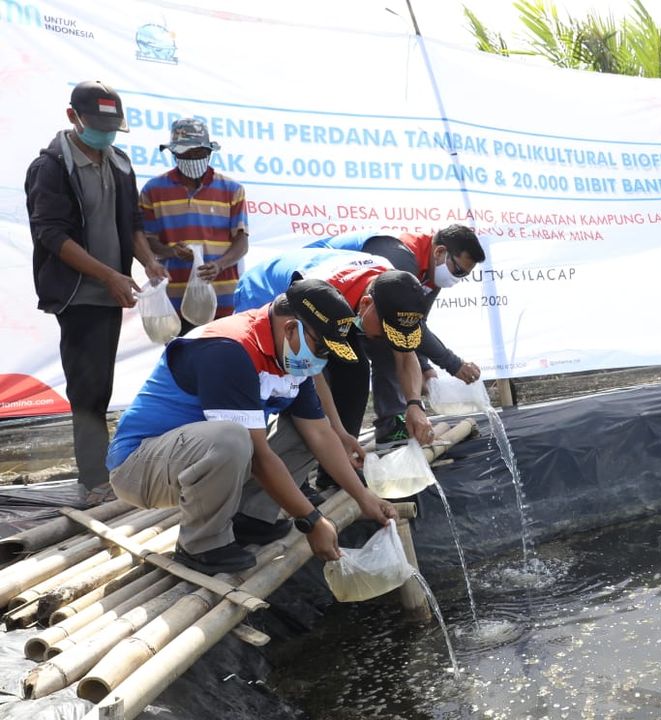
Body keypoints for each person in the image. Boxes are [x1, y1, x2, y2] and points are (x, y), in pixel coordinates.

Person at [105, 278, 400, 574]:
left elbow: (320, 433)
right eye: (321, 349)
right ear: (290, 328)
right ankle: (200, 545)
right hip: (141, 466)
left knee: (306, 431)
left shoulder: (288, 357)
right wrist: (311, 520)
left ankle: (250, 516)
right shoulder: (228, 349)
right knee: (231, 438)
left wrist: (364, 497)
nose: (321, 360)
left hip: (195, 461)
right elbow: (258, 457)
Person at [24, 80, 167, 505]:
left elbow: (133, 225)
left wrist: (148, 261)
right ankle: (93, 481)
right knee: (86, 389)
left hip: (111, 291)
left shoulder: (120, 163)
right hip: (77, 294)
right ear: (73, 118)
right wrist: (107, 275)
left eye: (111, 127)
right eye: (96, 125)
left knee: (101, 385)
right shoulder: (50, 167)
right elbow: (52, 234)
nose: (104, 135)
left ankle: (102, 468)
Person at [234, 253, 437, 461]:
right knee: (292, 391)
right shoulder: (321, 296)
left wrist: (414, 404)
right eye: (385, 331)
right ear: (366, 304)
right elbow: (312, 372)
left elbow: (404, 353)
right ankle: (284, 462)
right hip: (263, 291)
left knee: (355, 371)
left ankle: (340, 460)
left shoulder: (396, 288)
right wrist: (336, 431)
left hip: (338, 305)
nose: (386, 339)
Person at [304, 225, 486, 444]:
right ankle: (361, 434)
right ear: (439, 252)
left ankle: (387, 425)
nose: (458, 279)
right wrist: (453, 364)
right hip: (314, 294)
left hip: (347, 302)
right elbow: (405, 323)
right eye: (458, 271)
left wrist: (425, 368)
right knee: (359, 364)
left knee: (390, 343)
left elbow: (414, 325)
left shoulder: (430, 272)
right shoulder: (399, 259)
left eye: (465, 275)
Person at [140, 118, 248, 335]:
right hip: (175, 302)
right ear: (173, 154)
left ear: (209, 152)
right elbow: (147, 240)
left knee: (223, 361)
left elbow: (242, 242)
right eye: (184, 154)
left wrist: (219, 265)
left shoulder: (231, 189)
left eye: (198, 153)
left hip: (223, 299)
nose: (192, 159)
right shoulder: (153, 190)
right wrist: (171, 251)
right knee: (182, 361)